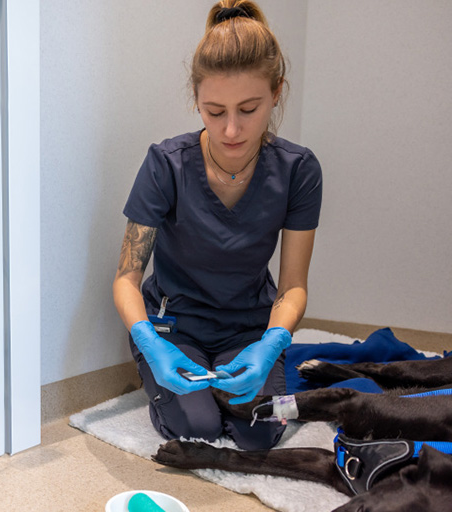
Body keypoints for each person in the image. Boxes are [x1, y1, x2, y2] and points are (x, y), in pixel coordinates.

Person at [113, 0, 322, 451]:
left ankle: (278, 374)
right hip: (174, 328)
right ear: (196, 101)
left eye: (249, 109)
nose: (230, 130)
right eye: (213, 111)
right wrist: (150, 343)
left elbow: (292, 287)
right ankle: (165, 381)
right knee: (197, 428)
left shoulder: (299, 171)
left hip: (251, 328)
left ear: (277, 93)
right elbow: (127, 278)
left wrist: (273, 341)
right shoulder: (165, 165)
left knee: (264, 428)